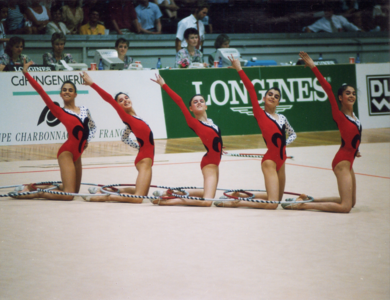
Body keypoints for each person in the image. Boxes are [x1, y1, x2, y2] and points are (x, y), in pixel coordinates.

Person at [281, 52, 361, 213]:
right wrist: (313, 66)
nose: (351, 95)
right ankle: (303, 206)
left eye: (353, 93)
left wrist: (357, 149)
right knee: (345, 208)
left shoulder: (354, 117)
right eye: (347, 93)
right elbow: (328, 88)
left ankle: (307, 199)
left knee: (351, 202)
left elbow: (353, 135)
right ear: (340, 98)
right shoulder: (339, 115)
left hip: (349, 161)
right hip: (342, 163)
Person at [215, 56, 298, 209]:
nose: (273, 97)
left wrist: (285, 143)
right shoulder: (260, 114)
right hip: (270, 161)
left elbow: (293, 133)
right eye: (270, 94)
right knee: (272, 205)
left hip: (282, 160)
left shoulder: (282, 117)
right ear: (264, 98)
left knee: (277, 201)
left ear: (279, 102)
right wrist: (239, 69)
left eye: (276, 96)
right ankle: (235, 202)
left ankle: (240, 195)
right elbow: (250, 88)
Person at [11, 59, 96, 201]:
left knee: (74, 191)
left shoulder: (85, 109)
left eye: (70, 90)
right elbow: (41, 91)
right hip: (67, 153)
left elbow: (93, 126)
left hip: (78, 154)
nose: (67, 92)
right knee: (69, 196)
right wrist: (26, 74)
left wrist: (87, 140)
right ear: (61, 95)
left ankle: (34, 186)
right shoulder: (59, 111)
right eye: (64, 90)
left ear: (76, 94)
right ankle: (35, 193)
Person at [80, 72, 154, 203]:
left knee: (141, 192)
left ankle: (108, 191)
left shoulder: (135, 120)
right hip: (144, 161)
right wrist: (92, 84)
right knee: (138, 199)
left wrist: (138, 147)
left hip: (145, 158)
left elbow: (124, 138)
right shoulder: (127, 118)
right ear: (118, 106)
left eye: (126, 97)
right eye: (121, 100)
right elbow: (108, 98)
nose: (125, 100)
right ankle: (103, 196)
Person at [150, 74, 223, 207]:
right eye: (195, 102)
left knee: (209, 194)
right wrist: (163, 85)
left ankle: (172, 192)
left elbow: (215, 140)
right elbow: (178, 100)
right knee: (207, 202)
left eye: (201, 101)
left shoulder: (212, 123)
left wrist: (220, 148)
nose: (199, 102)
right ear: (191, 109)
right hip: (209, 164)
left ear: (206, 106)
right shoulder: (193, 122)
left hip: (215, 163)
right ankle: (172, 200)